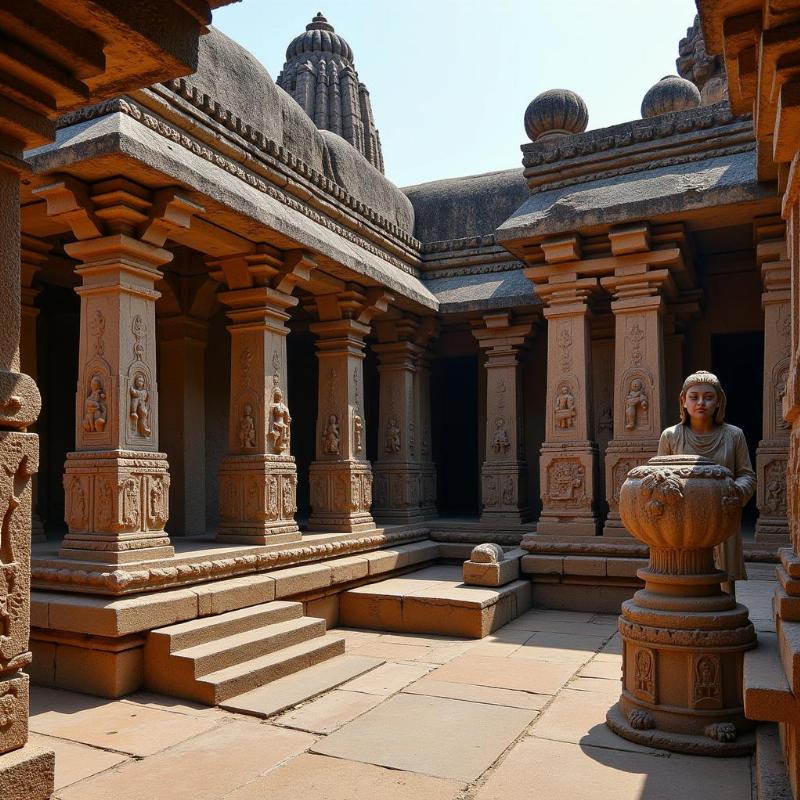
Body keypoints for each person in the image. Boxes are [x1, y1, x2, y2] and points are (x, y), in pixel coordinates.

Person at [657, 370, 755, 594]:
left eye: (708, 397)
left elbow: (747, 474)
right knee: (684, 577)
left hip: (721, 515)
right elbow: (659, 476)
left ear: (719, 401)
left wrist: (736, 491)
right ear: (683, 400)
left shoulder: (733, 435)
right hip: (684, 517)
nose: (701, 402)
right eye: (694, 397)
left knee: (723, 582)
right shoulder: (671, 436)